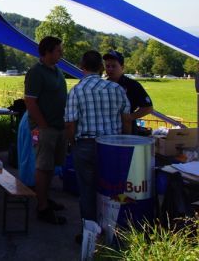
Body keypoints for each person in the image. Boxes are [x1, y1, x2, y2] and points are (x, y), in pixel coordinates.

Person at [65, 51, 131, 233]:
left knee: (87, 190)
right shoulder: (117, 89)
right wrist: (125, 141)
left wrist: (72, 143)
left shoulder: (77, 90)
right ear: (101, 67)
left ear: (81, 67)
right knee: (113, 188)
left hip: (85, 144)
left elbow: (69, 123)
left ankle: (90, 233)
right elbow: (126, 120)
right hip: (113, 145)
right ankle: (113, 229)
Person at [24, 36, 68, 225]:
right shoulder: (36, 72)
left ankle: (45, 199)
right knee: (43, 167)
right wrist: (43, 126)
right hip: (44, 129)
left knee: (50, 167)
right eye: (58, 50)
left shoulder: (57, 70)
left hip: (58, 127)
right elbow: (30, 102)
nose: (61, 53)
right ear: (48, 52)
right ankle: (42, 208)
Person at [103, 50, 154, 135]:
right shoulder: (103, 85)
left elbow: (148, 108)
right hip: (107, 130)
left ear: (122, 67)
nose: (110, 69)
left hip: (127, 130)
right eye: (107, 66)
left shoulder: (132, 85)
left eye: (114, 66)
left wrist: (130, 117)